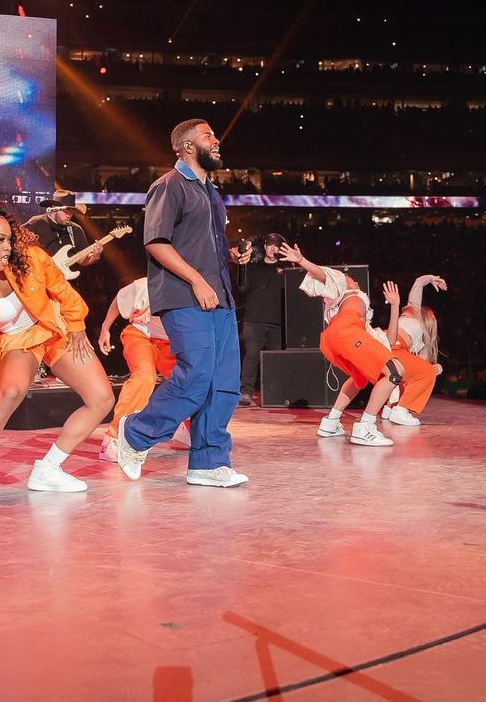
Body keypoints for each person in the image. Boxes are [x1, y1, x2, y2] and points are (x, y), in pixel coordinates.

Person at [0, 198, 114, 511]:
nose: (8, 247)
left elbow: (63, 291)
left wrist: (76, 326)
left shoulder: (30, 258)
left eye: (9, 239)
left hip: (53, 328)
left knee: (102, 399)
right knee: (10, 393)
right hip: (18, 342)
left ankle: (48, 469)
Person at [116, 119, 249, 488]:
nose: (216, 140)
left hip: (219, 296)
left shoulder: (211, 192)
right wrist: (196, 279)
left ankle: (208, 462)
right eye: (208, 135)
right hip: (185, 296)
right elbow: (156, 242)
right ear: (188, 146)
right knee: (197, 376)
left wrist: (231, 255)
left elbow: (202, 245)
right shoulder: (169, 185)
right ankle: (135, 433)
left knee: (223, 384)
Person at [280, 243, 438, 446]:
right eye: (351, 278)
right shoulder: (344, 287)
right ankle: (365, 427)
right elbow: (323, 274)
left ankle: (330, 422)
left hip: (339, 336)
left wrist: (395, 305)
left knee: (359, 377)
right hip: (346, 331)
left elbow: (389, 341)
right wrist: (302, 260)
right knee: (395, 371)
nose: (354, 279)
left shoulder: (363, 316)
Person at [96, 277, 188, 461]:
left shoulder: (192, 286)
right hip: (140, 334)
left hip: (170, 341)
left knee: (190, 380)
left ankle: (187, 430)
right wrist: (105, 328)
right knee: (144, 377)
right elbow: (120, 300)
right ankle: (114, 438)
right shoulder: (146, 284)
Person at [381, 274, 447, 426]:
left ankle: (391, 406)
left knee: (414, 373)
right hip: (393, 346)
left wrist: (436, 367)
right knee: (423, 373)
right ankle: (401, 409)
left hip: (382, 345)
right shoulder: (415, 314)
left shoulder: (420, 343)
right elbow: (418, 283)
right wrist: (432, 278)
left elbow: (419, 370)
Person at [234, 232, 287, 406]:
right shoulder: (254, 266)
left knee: (275, 359)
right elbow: (243, 287)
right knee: (251, 357)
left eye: (276, 245)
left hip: (277, 322)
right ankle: (246, 392)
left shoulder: (285, 270)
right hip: (254, 320)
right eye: (270, 245)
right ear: (265, 246)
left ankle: (274, 394)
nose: (273, 248)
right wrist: (243, 264)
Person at [25, 191, 102, 270]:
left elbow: (82, 261)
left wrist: (96, 256)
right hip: (42, 274)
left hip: (67, 277)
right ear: (55, 209)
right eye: (66, 211)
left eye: (71, 212)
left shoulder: (76, 229)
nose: (69, 216)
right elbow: (23, 250)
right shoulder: (37, 224)